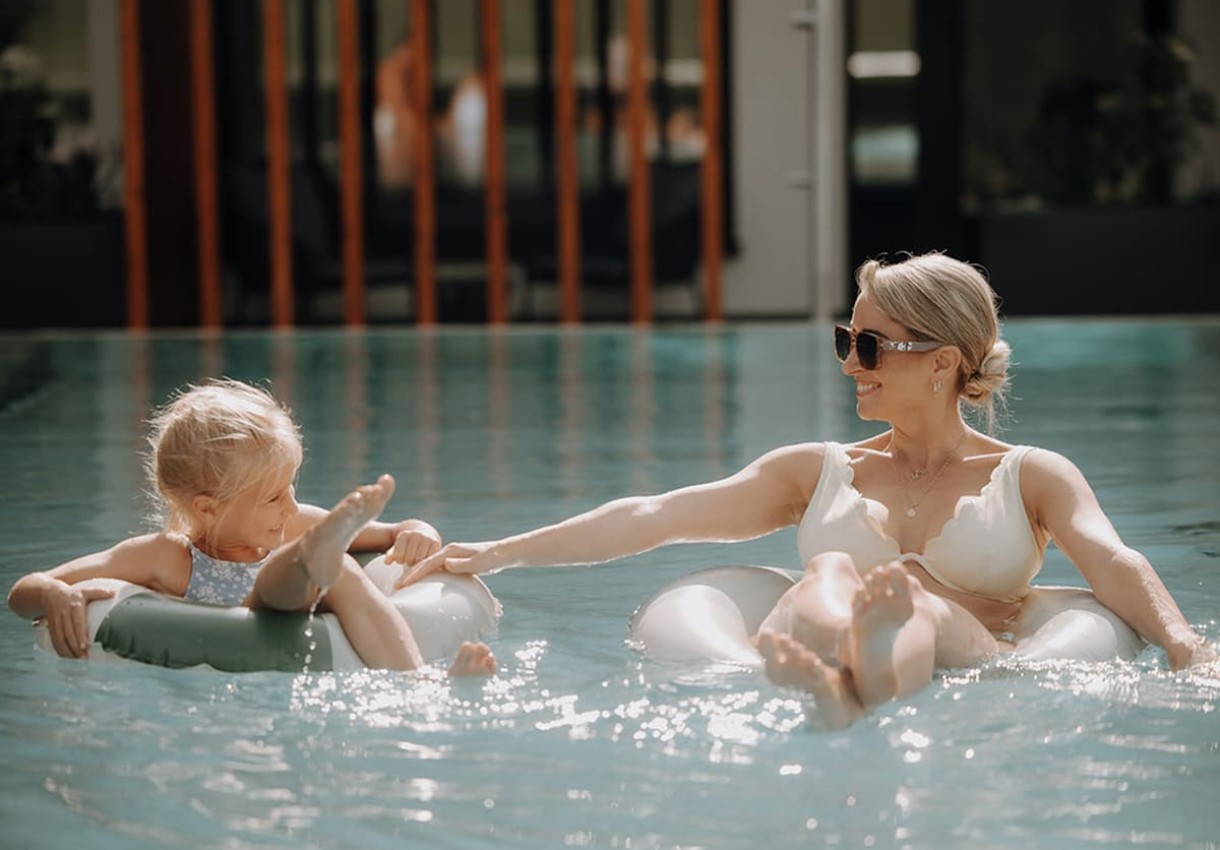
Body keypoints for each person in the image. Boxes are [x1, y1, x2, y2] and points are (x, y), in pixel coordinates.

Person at [395, 252, 1215, 726]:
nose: (851, 362)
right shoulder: (820, 470)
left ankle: (860, 680)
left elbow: (1112, 562)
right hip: (827, 625)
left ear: (942, 362)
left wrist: (1184, 644)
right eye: (845, 339)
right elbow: (656, 516)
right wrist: (500, 551)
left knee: (910, 598)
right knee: (829, 571)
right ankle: (848, 682)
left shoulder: (1030, 475)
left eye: (870, 346)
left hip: (967, 648)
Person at [7, 379, 495, 676]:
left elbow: (393, 534)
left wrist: (416, 528)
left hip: (302, 595)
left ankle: (418, 687)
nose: (291, 506)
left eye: (291, 487)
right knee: (290, 577)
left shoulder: (294, 521)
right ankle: (313, 560)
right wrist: (52, 593)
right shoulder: (165, 557)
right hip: (252, 619)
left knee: (341, 569)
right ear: (209, 508)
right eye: (273, 497)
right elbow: (23, 591)